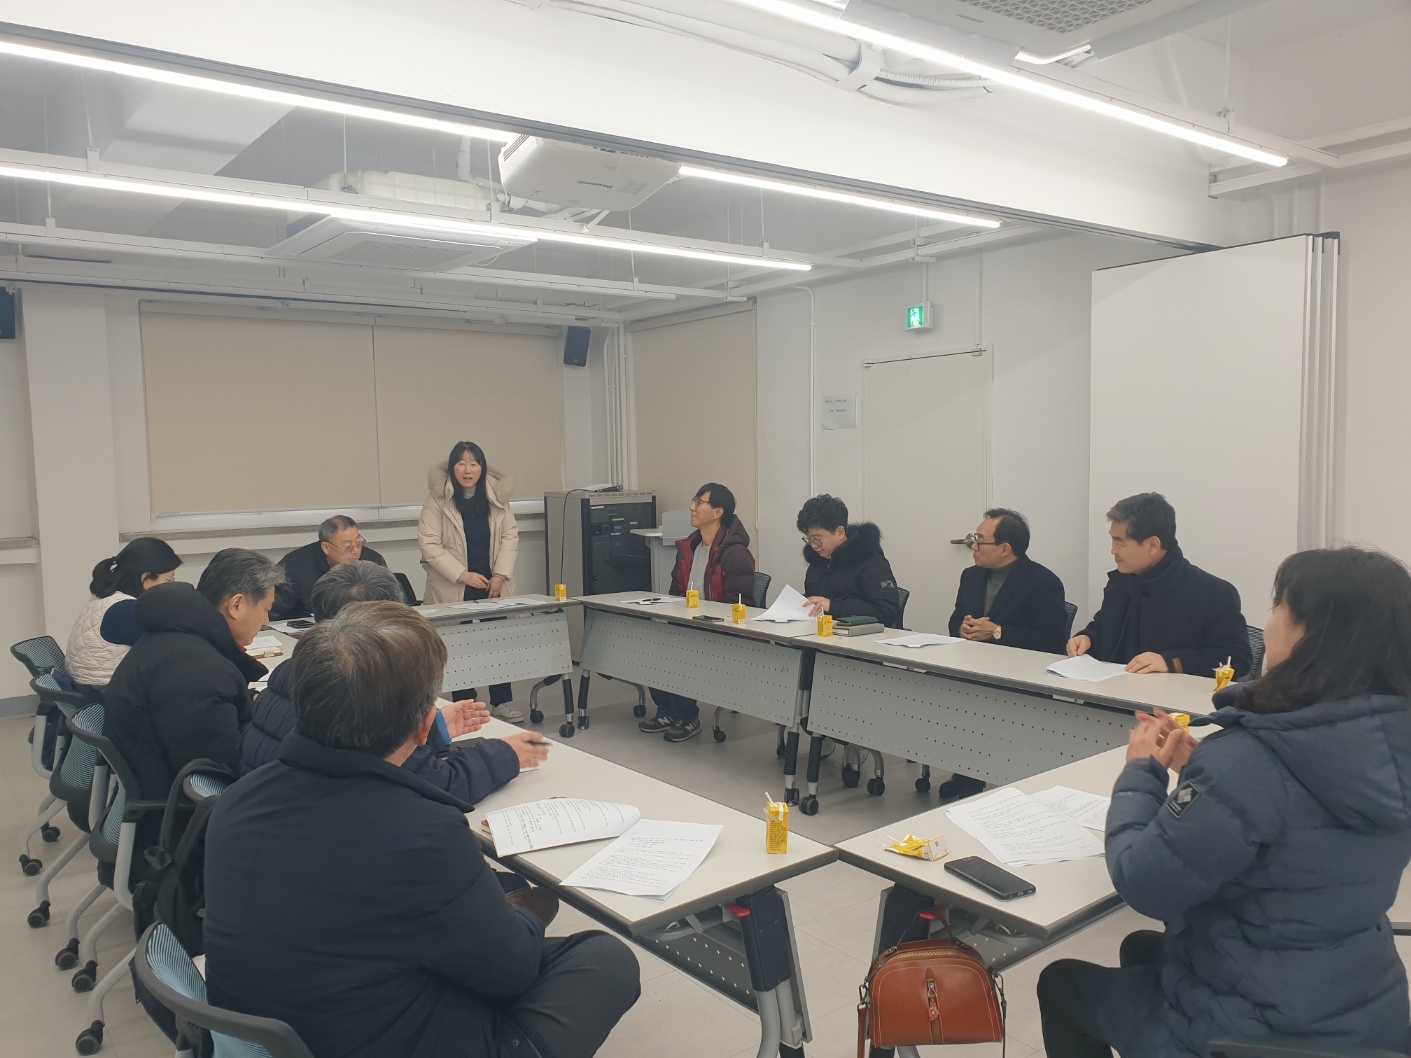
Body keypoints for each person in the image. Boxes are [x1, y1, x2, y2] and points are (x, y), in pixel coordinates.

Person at [204, 601, 641, 1058]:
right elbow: (511, 971)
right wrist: (525, 913)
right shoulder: (421, 834)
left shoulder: (238, 800)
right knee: (605, 959)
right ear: (423, 727)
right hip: (371, 1038)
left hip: (272, 1033)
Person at [1037, 546, 1411, 1058]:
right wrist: (1203, 775)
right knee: (1141, 949)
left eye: (1278, 607)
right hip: (1362, 1006)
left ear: (1310, 635)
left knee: (1061, 983)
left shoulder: (1248, 759)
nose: (1268, 622)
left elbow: (1143, 883)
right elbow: (1304, 815)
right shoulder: (1389, 746)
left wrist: (1141, 772)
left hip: (1257, 1025)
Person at [242, 560, 547, 797]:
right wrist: (506, 755)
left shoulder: (287, 672)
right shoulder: (361, 692)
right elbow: (437, 785)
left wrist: (430, 730)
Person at [104, 547, 280, 859]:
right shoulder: (197, 670)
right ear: (237, 605)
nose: (266, 621)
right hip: (178, 834)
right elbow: (223, 770)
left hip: (163, 798)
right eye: (266, 610)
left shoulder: (179, 642)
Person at [940, 508, 1068, 801]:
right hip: (974, 671)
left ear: (1005, 548)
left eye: (979, 540)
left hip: (1020, 679)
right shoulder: (971, 576)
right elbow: (955, 620)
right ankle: (966, 772)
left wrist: (998, 632)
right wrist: (963, 628)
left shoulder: (1043, 582)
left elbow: (1052, 640)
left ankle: (1000, 779)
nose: (973, 547)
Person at [1067, 493, 1252, 677]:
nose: (1112, 550)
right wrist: (1088, 637)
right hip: (1109, 689)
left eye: (1119, 542)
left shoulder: (1213, 593)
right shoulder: (1121, 581)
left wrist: (1170, 662)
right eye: (1112, 540)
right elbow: (1103, 625)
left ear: (1152, 545)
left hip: (1172, 695)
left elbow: (1238, 659)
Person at [638, 483, 756, 743]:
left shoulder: (735, 553)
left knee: (682, 649)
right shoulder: (689, 548)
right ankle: (667, 711)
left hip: (723, 633)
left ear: (717, 512)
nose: (692, 507)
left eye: (699, 502)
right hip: (692, 625)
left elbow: (740, 606)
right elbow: (675, 594)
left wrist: (702, 620)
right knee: (651, 644)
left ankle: (687, 717)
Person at [419, 441, 523, 721]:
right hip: (453, 585)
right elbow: (429, 544)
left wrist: (499, 575)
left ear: (482, 468)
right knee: (458, 645)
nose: (468, 470)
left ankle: (502, 701)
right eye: (461, 463)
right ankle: (466, 705)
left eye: (474, 464)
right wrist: (463, 575)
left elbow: (509, 536)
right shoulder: (437, 499)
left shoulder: (497, 498)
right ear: (452, 467)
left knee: (497, 640)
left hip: (492, 584)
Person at [65, 537, 182, 694]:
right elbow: (168, 648)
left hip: (90, 687)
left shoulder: (107, 596)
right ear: (146, 578)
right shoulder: (127, 610)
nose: (173, 583)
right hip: (107, 693)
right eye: (169, 578)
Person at [797, 494, 901, 627]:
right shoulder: (818, 560)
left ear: (840, 532)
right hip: (821, 632)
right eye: (809, 539)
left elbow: (886, 612)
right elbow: (814, 598)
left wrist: (833, 606)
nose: (813, 545)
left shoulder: (870, 561)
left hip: (860, 636)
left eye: (817, 539)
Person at [269, 515, 394, 621]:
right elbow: (271, 611)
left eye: (358, 543)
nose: (355, 551)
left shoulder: (373, 561)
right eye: (347, 546)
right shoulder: (294, 567)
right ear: (326, 547)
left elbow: (391, 605)